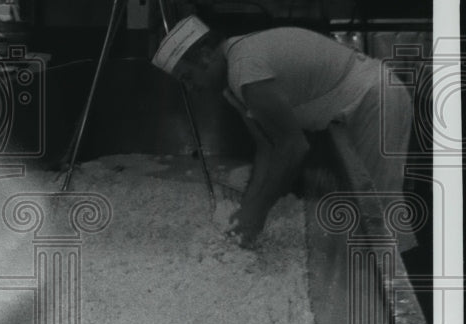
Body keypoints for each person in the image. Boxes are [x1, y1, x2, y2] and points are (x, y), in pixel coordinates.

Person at [152, 16, 414, 248]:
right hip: (358, 103)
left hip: (375, 98)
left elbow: (293, 149)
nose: (190, 88)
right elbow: (267, 148)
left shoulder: (245, 67)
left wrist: (255, 218)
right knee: (367, 214)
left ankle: (402, 294)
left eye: (188, 77)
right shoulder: (232, 85)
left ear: (205, 56)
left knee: (378, 211)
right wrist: (245, 210)